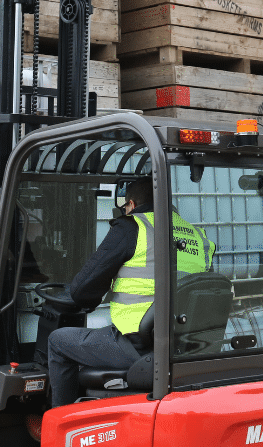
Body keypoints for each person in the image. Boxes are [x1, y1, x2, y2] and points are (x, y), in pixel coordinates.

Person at [41, 178, 215, 416]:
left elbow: (83, 289)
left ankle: (61, 426)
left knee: (59, 341)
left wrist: (86, 297)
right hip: (187, 346)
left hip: (139, 347)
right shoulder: (198, 236)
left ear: (131, 204)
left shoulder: (133, 226)